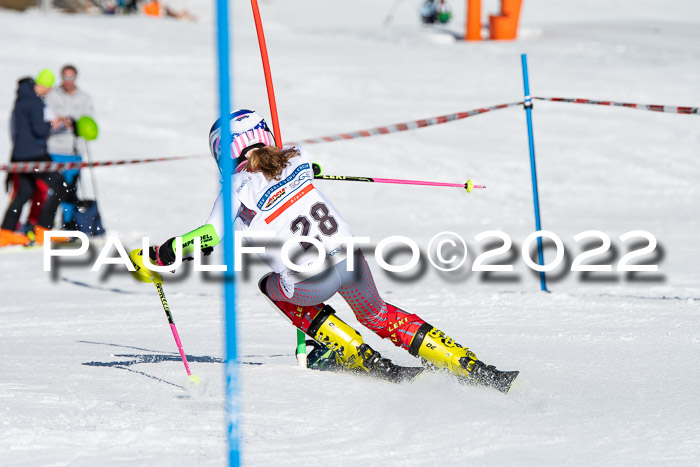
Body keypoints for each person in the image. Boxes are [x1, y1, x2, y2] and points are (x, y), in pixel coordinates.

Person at [129, 109, 518, 393]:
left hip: (308, 282)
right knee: (379, 314)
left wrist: (158, 257)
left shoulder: (236, 188)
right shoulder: (295, 159)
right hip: (350, 257)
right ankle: (470, 367)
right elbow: (303, 167)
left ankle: (354, 355)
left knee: (269, 283)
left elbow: (209, 237)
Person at [0, 70, 70, 247]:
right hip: (35, 155)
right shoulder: (35, 102)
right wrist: (54, 124)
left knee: (23, 193)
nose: (49, 91)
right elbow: (40, 130)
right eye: (49, 87)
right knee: (60, 185)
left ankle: (6, 233)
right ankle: (43, 230)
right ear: (45, 85)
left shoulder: (21, 99)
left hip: (19, 155)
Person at [45, 64, 96, 229]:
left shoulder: (85, 98)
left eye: (71, 77)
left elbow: (88, 123)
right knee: (52, 190)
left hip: (73, 152)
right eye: (65, 77)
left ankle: (67, 223)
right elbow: (46, 118)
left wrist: (73, 122)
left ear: (76, 78)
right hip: (53, 150)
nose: (68, 81)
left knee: (70, 191)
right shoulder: (52, 95)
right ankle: (46, 223)